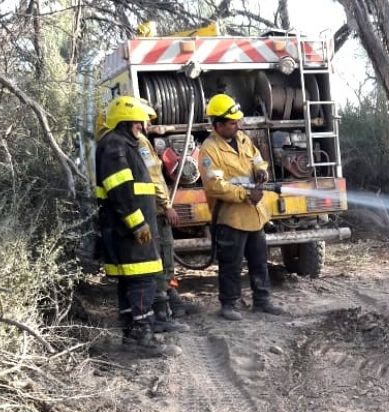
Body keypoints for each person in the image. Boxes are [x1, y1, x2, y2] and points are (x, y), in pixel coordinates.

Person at [95, 95, 180, 357]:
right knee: (142, 281)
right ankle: (144, 337)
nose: (141, 127)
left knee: (129, 281)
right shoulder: (116, 146)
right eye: (138, 122)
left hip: (128, 229)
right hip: (129, 231)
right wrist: (138, 225)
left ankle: (132, 335)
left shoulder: (122, 144)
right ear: (125, 121)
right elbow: (120, 191)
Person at [197, 93, 284, 320]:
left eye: (238, 121)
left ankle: (262, 301)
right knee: (231, 264)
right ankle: (229, 304)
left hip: (254, 214)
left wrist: (261, 170)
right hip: (231, 216)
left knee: (259, 260)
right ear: (218, 125)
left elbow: (257, 160)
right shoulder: (209, 150)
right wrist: (246, 194)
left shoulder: (243, 139)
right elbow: (215, 186)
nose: (238, 125)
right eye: (232, 122)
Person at [136, 99, 200, 324]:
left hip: (151, 208)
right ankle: (162, 308)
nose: (147, 123)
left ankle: (170, 297)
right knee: (162, 252)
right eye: (145, 119)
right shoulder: (141, 144)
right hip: (155, 209)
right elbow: (153, 177)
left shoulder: (140, 140)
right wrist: (167, 205)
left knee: (164, 254)